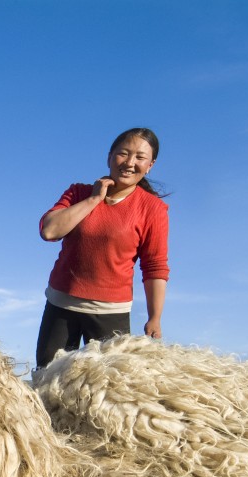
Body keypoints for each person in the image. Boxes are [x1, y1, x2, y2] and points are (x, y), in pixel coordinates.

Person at [34, 127, 170, 369]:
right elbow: (49, 231)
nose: (129, 163)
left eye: (140, 157)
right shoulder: (79, 192)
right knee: (47, 381)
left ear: (150, 165)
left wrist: (154, 318)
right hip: (61, 307)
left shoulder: (153, 209)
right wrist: (94, 199)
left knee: (108, 391)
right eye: (123, 154)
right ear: (109, 157)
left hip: (111, 313)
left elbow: (154, 267)